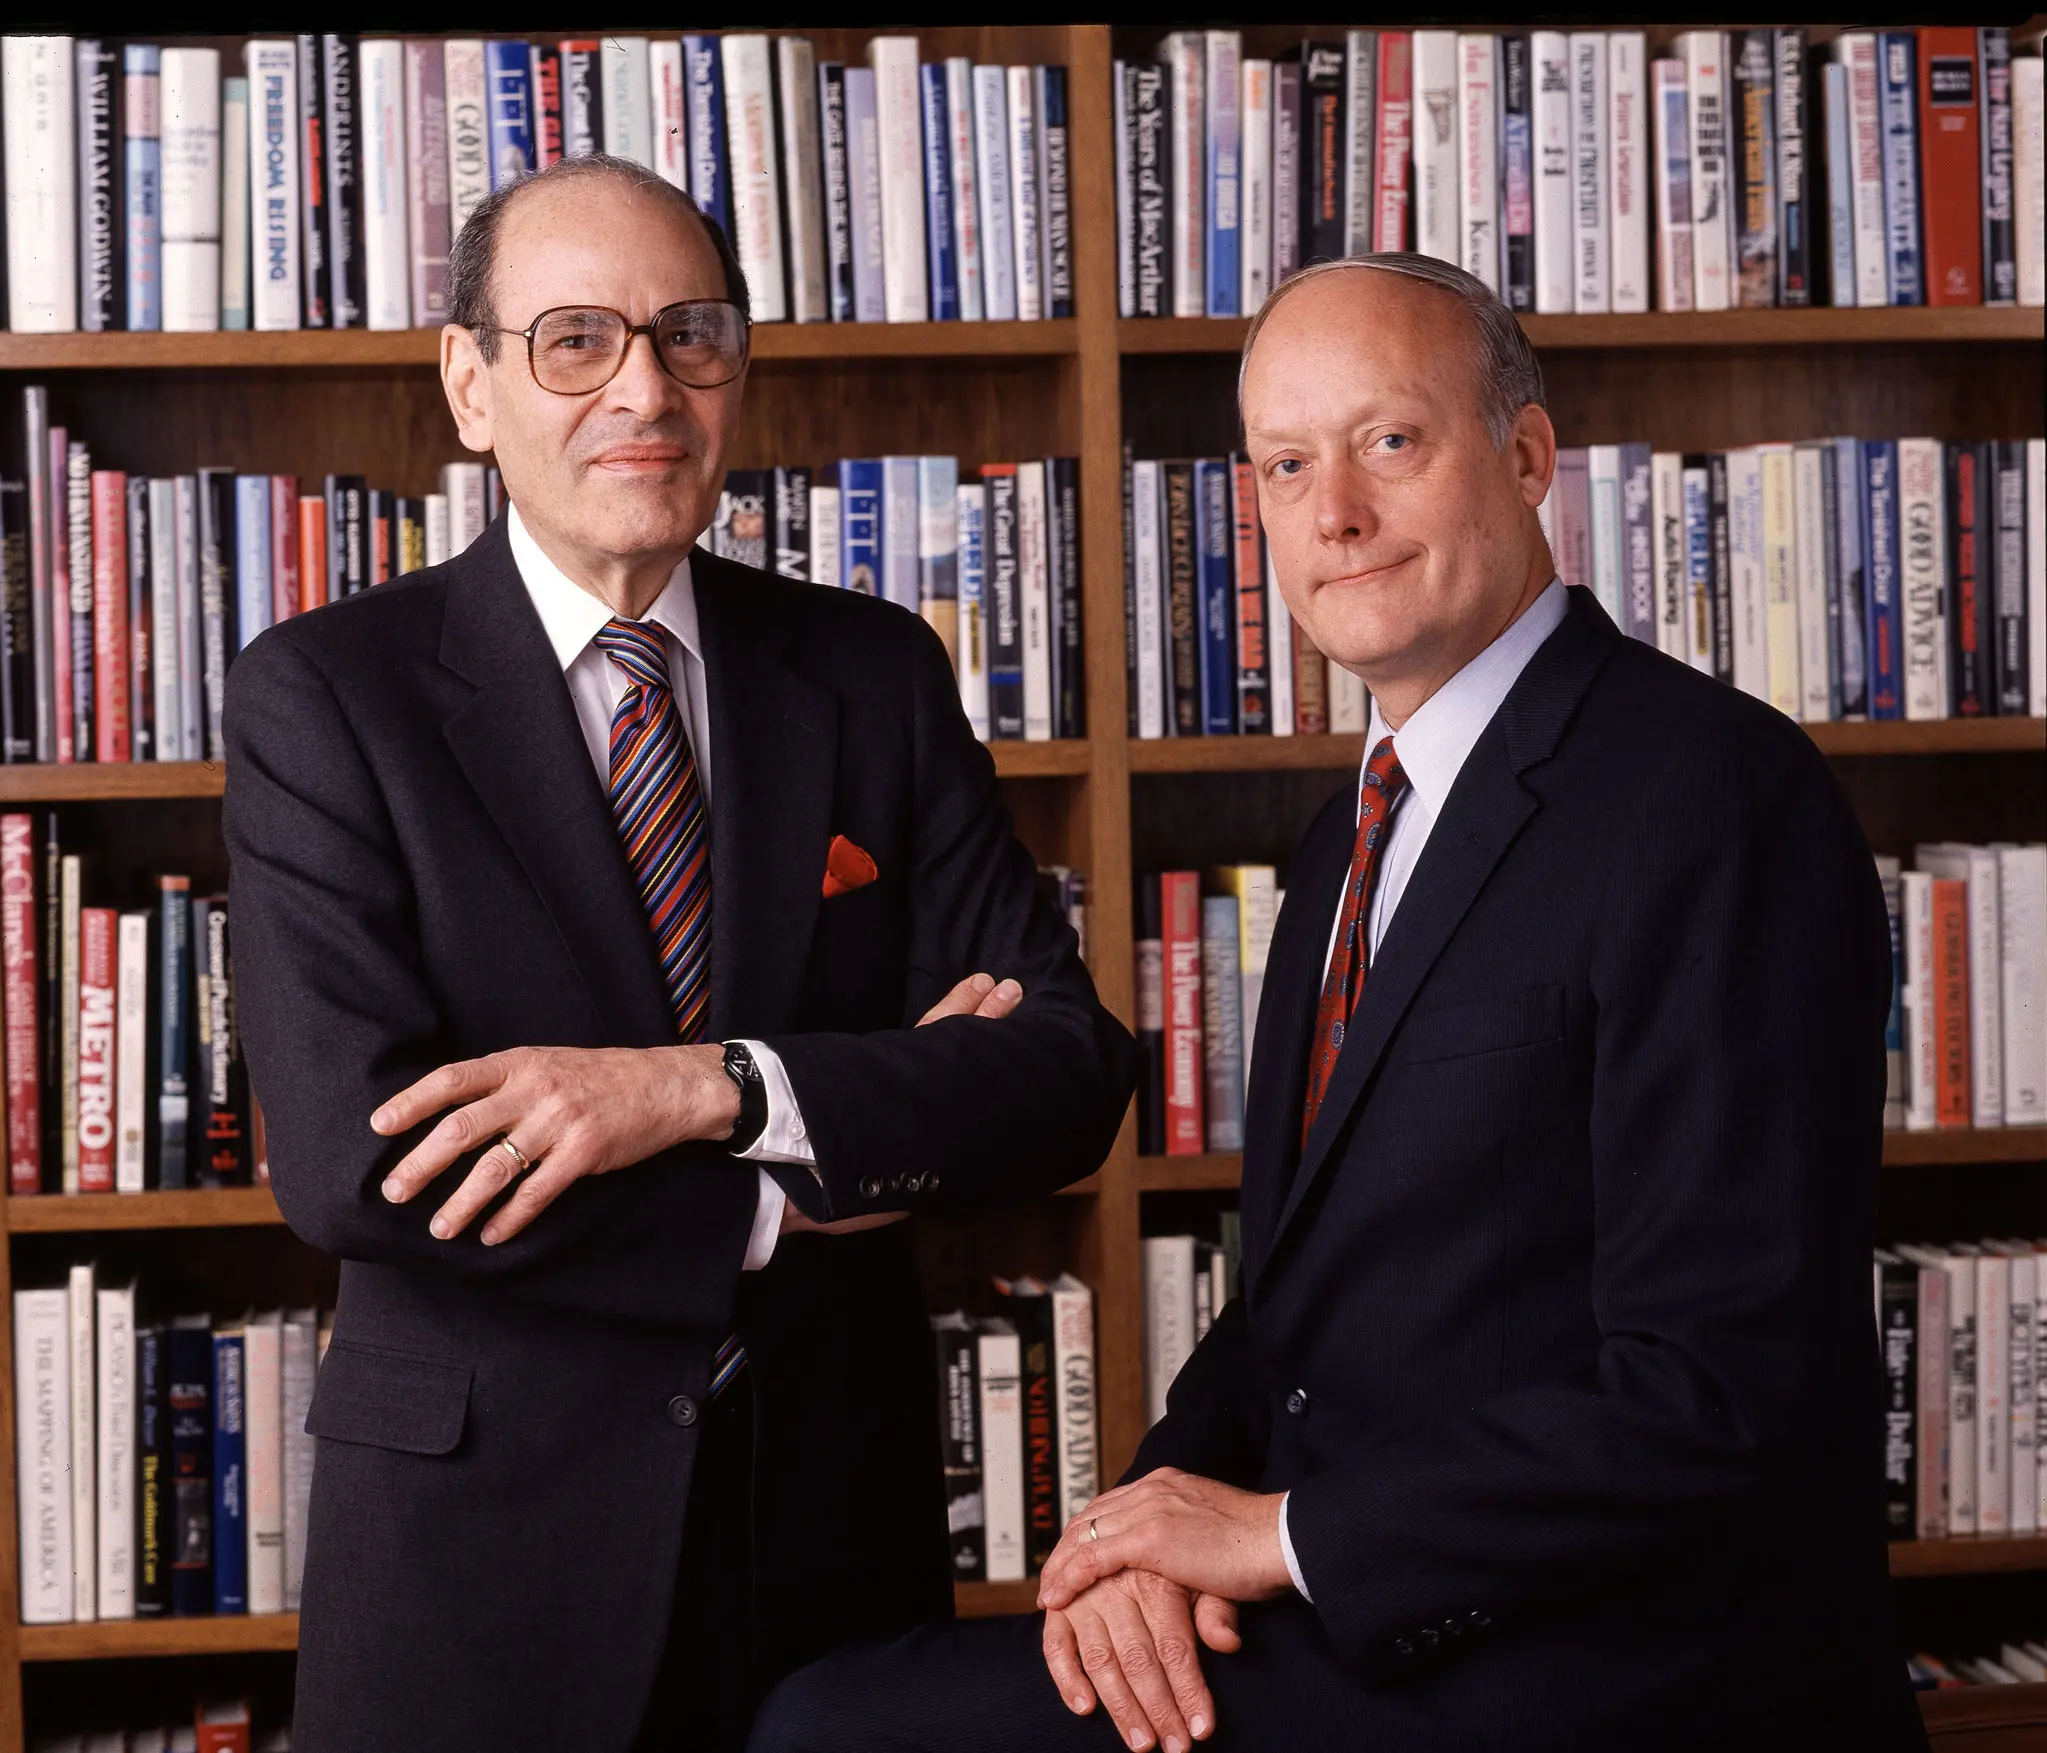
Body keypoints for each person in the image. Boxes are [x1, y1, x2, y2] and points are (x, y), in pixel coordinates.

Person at [749, 255, 1928, 1753]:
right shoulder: (1351, 838)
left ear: (1526, 457)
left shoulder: (1715, 799)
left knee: (834, 1732)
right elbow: (1290, 1316)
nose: (1334, 514)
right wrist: (1138, 1536)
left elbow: (1724, 1387)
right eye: (1286, 464)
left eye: (1390, 442)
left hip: (1607, 1661)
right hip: (1385, 1613)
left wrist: (1278, 1538)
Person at [223, 154, 1133, 1753]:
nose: (643, 386)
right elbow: (356, 1163)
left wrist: (707, 1090)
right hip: (481, 1567)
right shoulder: (329, 697)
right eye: (576, 338)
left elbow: (1063, 1074)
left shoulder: (870, 674)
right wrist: (806, 1184)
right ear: (472, 384)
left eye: (689, 333)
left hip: (828, 1549)